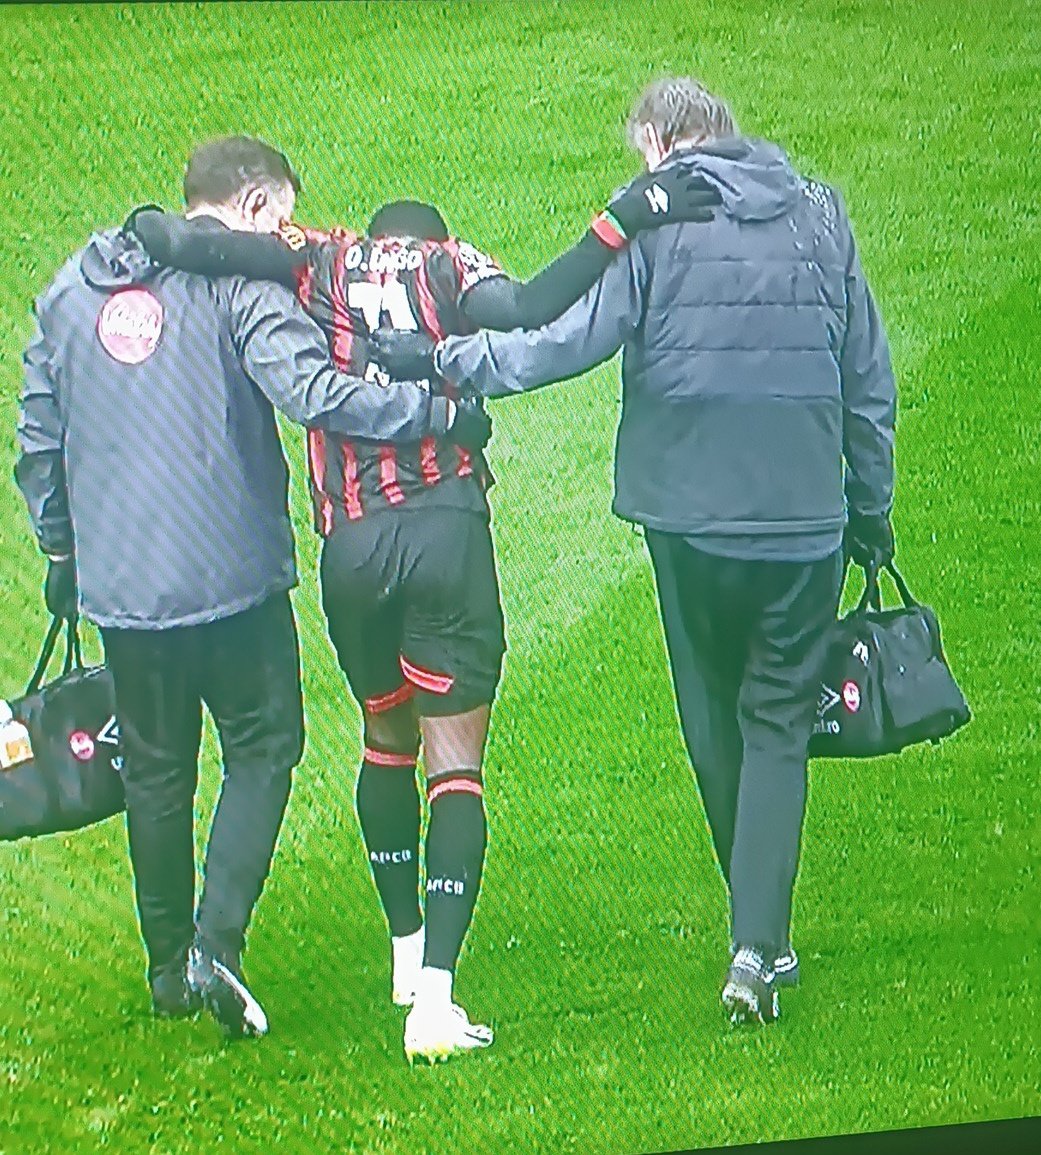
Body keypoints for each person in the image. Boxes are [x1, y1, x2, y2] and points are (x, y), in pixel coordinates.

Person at [125, 175, 721, 1063]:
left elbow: (197, 244)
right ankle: (435, 999)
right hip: (444, 535)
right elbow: (532, 305)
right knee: (455, 767)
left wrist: (148, 228)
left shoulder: (320, 256)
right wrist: (623, 218)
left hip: (352, 550)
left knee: (384, 740)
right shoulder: (448, 265)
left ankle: (403, 951)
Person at [373, 77, 898, 1028]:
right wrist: (872, 504)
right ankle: (757, 944)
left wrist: (444, 361)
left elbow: (561, 342)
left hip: (688, 521)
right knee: (777, 722)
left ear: (658, 142)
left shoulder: (655, 218)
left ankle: (761, 939)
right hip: (802, 517)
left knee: (712, 715)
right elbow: (866, 372)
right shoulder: (820, 213)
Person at [13, 135, 481, 1041]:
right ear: (256, 208)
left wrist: (63, 550)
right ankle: (216, 943)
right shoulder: (239, 285)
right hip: (231, 580)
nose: (288, 237)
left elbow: (39, 437)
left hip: (126, 592)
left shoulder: (71, 290)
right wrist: (430, 412)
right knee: (264, 746)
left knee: (156, 771)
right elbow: (312, 391)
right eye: (283, 219)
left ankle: (168, 971)